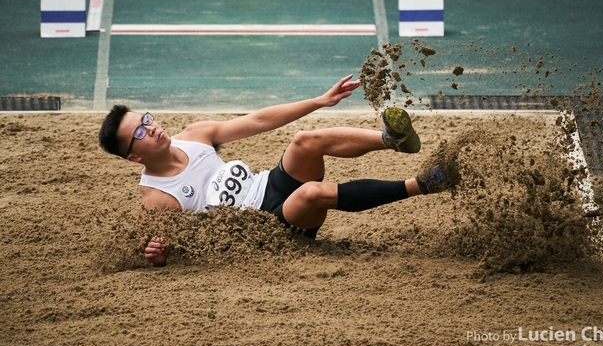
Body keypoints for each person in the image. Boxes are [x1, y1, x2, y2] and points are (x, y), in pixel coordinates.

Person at [98, 75, 453, 267]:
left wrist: (319, 101)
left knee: (304, 141)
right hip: (269, 226)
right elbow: (160, 253)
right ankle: (423, 184)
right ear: (133, 157)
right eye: (140, 132)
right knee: (312, 193)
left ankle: (392, 139)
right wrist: (156, 254)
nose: (152, 127)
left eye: (146, 119)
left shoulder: (193, 135)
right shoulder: (156, 197)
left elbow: (258, 120)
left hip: (268, 183)